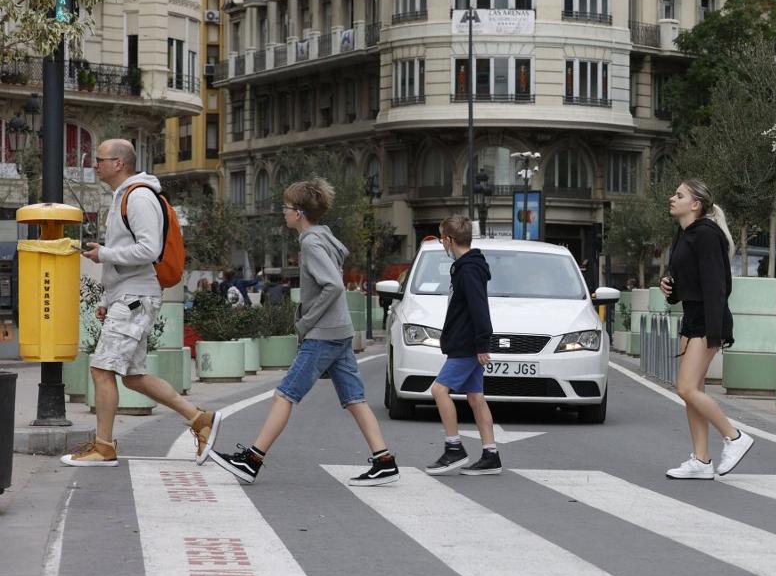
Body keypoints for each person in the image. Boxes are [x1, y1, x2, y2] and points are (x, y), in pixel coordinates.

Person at [208, 179, 398, 486]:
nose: (283, 212)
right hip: (340, 332)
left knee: (284, 395)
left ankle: (252, 461)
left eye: (285, 207)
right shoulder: (324, 237)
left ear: (298, 212)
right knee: (355, 399)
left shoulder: (311, 242)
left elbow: (333, 285)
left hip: (323, 335)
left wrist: (306, 320)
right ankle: (384, 461)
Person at [62, 139, 220, 467]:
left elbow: (149, 250)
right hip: (129, 296)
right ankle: (199, 419)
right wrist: (109, 296)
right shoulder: (125, 196)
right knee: (132, 375)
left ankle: (104, 447)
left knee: (102, 367)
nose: (96, 165)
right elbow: (132, 252)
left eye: (100, 159)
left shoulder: (139, 196)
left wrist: (104, 253)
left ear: (119, 163)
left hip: (136, 297)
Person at [659, 179, 754, 480]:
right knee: (692, 392)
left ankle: (735, 437)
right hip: (692, 317)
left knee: (685, 387)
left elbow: (717, 287)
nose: (672, 198)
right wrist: (670, 290)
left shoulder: (706, 236)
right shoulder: (684, 235)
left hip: (707, 320)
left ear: (695, 205)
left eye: (679, 195)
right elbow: (686, 283)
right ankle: (701, 460)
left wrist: (715, 332)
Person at [424, 214, 503, 475]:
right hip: (469, 342)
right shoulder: (469, 266)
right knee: (476, 397)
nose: (442, 245)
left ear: (449, 240)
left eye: (441, 240)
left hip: (466, 344)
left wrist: (482, 343)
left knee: (439, 391)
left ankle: (453, 448)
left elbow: (479, 307)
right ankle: (491, 454)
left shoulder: (468, 269)